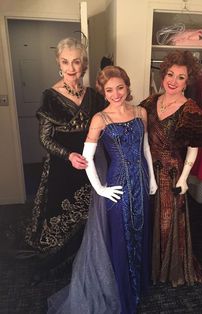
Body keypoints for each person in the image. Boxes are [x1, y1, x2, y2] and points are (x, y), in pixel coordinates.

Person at [47, 65, 158, 314]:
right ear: (104, 92)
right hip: (117, 185)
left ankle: (137, 287)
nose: (116, 93)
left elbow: (146, 148)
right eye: (109, 90)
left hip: (140, 180)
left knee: (140, 232)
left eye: (120, 87)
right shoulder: (101, 118)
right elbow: (87, 159)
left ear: (127, 86)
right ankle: (122, 292)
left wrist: (151, 178)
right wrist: (101, 189)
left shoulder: (141, 112)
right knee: (121, 236)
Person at [22, 37, 105, 280]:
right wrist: (69, 156)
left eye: (76, 62)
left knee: (91, 211)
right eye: (65, 62)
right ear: (58, 63)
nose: (71, 68)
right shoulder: (50, 96)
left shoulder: (92, 95)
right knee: (60, 211)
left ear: (84, 64)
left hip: (89, 161)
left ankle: (86, 258)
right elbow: (45, 139)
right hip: (63, 165)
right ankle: (60, 263)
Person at [140, 50, 202, 287]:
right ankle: (148, 264)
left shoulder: (190, 109)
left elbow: (193, 148)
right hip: (147, 168)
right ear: (163, 75)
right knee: (147, 218)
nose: (173, 81)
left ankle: (168, 268)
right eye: (170, 74)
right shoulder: (151, 102)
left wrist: (184, 179)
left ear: (187, 81)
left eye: (180, 77)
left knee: (167, 223)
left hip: (171, 173)